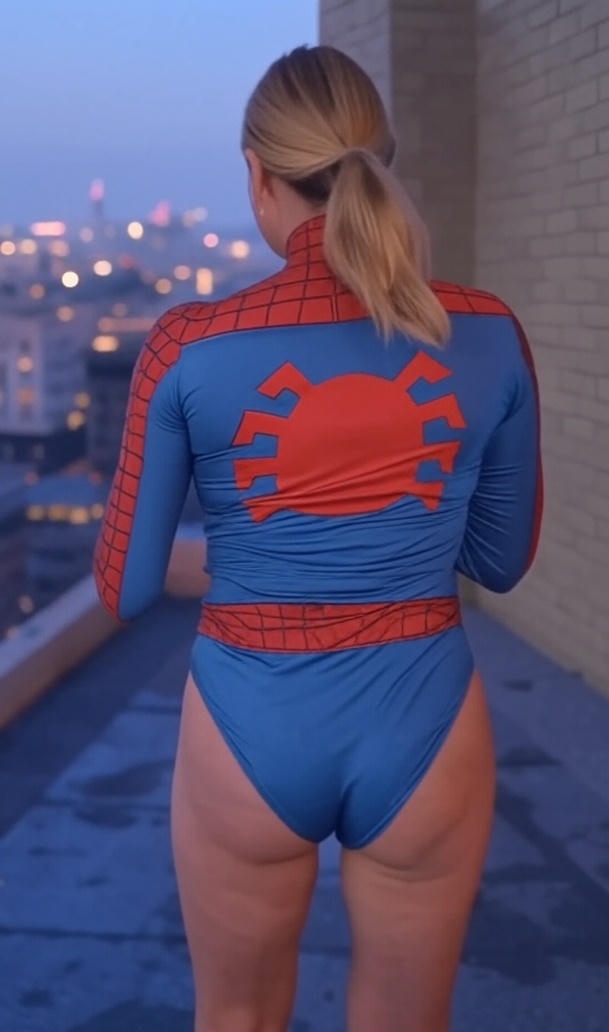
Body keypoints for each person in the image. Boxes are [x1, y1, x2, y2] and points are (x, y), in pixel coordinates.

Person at [94, 44, 542, 1032]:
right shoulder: (487, 331)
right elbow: (501, 561)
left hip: (248, 719)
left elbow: (124, 589)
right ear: (379, 160)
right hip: (425, 714)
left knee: (238, 1016)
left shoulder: (188, 344)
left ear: (257, 174)